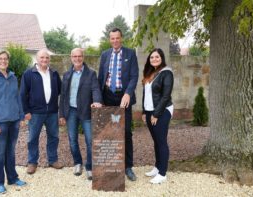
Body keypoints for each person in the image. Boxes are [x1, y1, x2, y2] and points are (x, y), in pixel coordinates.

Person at [98, 27, 139, 181]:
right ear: (110, 39)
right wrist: (99, 99)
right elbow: (101, 77)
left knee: (126, 132)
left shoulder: (130, 53)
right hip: (108, 96)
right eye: (112, 38)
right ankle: (110, 166)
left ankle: (128, 167)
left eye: (117, 38)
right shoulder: (105, 55)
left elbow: (134, 76)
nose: (115, 41)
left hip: (124, 97)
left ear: (121, 38)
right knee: (109, 132)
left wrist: (128, 93)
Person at [0, 49, 27, 194]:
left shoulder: (13, 78)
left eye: (5, 59)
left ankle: (13, 178)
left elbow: (17, 98)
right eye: (0, 59)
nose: (3, 61)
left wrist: (21, 116)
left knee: (11, 152)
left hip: (14, 121)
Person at [59, 48, 102, 180]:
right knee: (72, 140)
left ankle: (89, 167)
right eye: (74, 56)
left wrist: (97, 101)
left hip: (86, 111)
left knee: (90, 141)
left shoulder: (91, 74)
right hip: (70, 111)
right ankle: (77, 163)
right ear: (71, 57)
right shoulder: (66, 75)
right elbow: (63, 96)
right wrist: (61, 114)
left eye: (79, 56)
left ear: (83, 57)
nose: (77, 59)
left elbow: (95, 89)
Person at [20, 49, 63, 175]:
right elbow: (22, 94)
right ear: (37, 59)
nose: (44, 60)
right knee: (33, 138)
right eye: (42, 58)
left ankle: (53, 160)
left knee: (54, 137)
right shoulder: (28, 74)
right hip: (35, 113)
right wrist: (26, 111)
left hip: (52, 112)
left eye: (47, 58)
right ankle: (32, 162)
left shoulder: (54, 73)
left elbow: (60, 91)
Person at [141, 48, 174, 184]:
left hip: (162, 110)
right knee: (156, 140)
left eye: (157, 57)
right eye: (152, 57)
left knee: (161, 141)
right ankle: (157, 167)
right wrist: (144, 111)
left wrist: (156, 114)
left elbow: (166, 96)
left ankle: (162, 173)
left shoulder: (167, 72)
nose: (154, 59)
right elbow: (146, 94)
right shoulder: (150, 73)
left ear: (162, 58)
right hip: (149, 111)